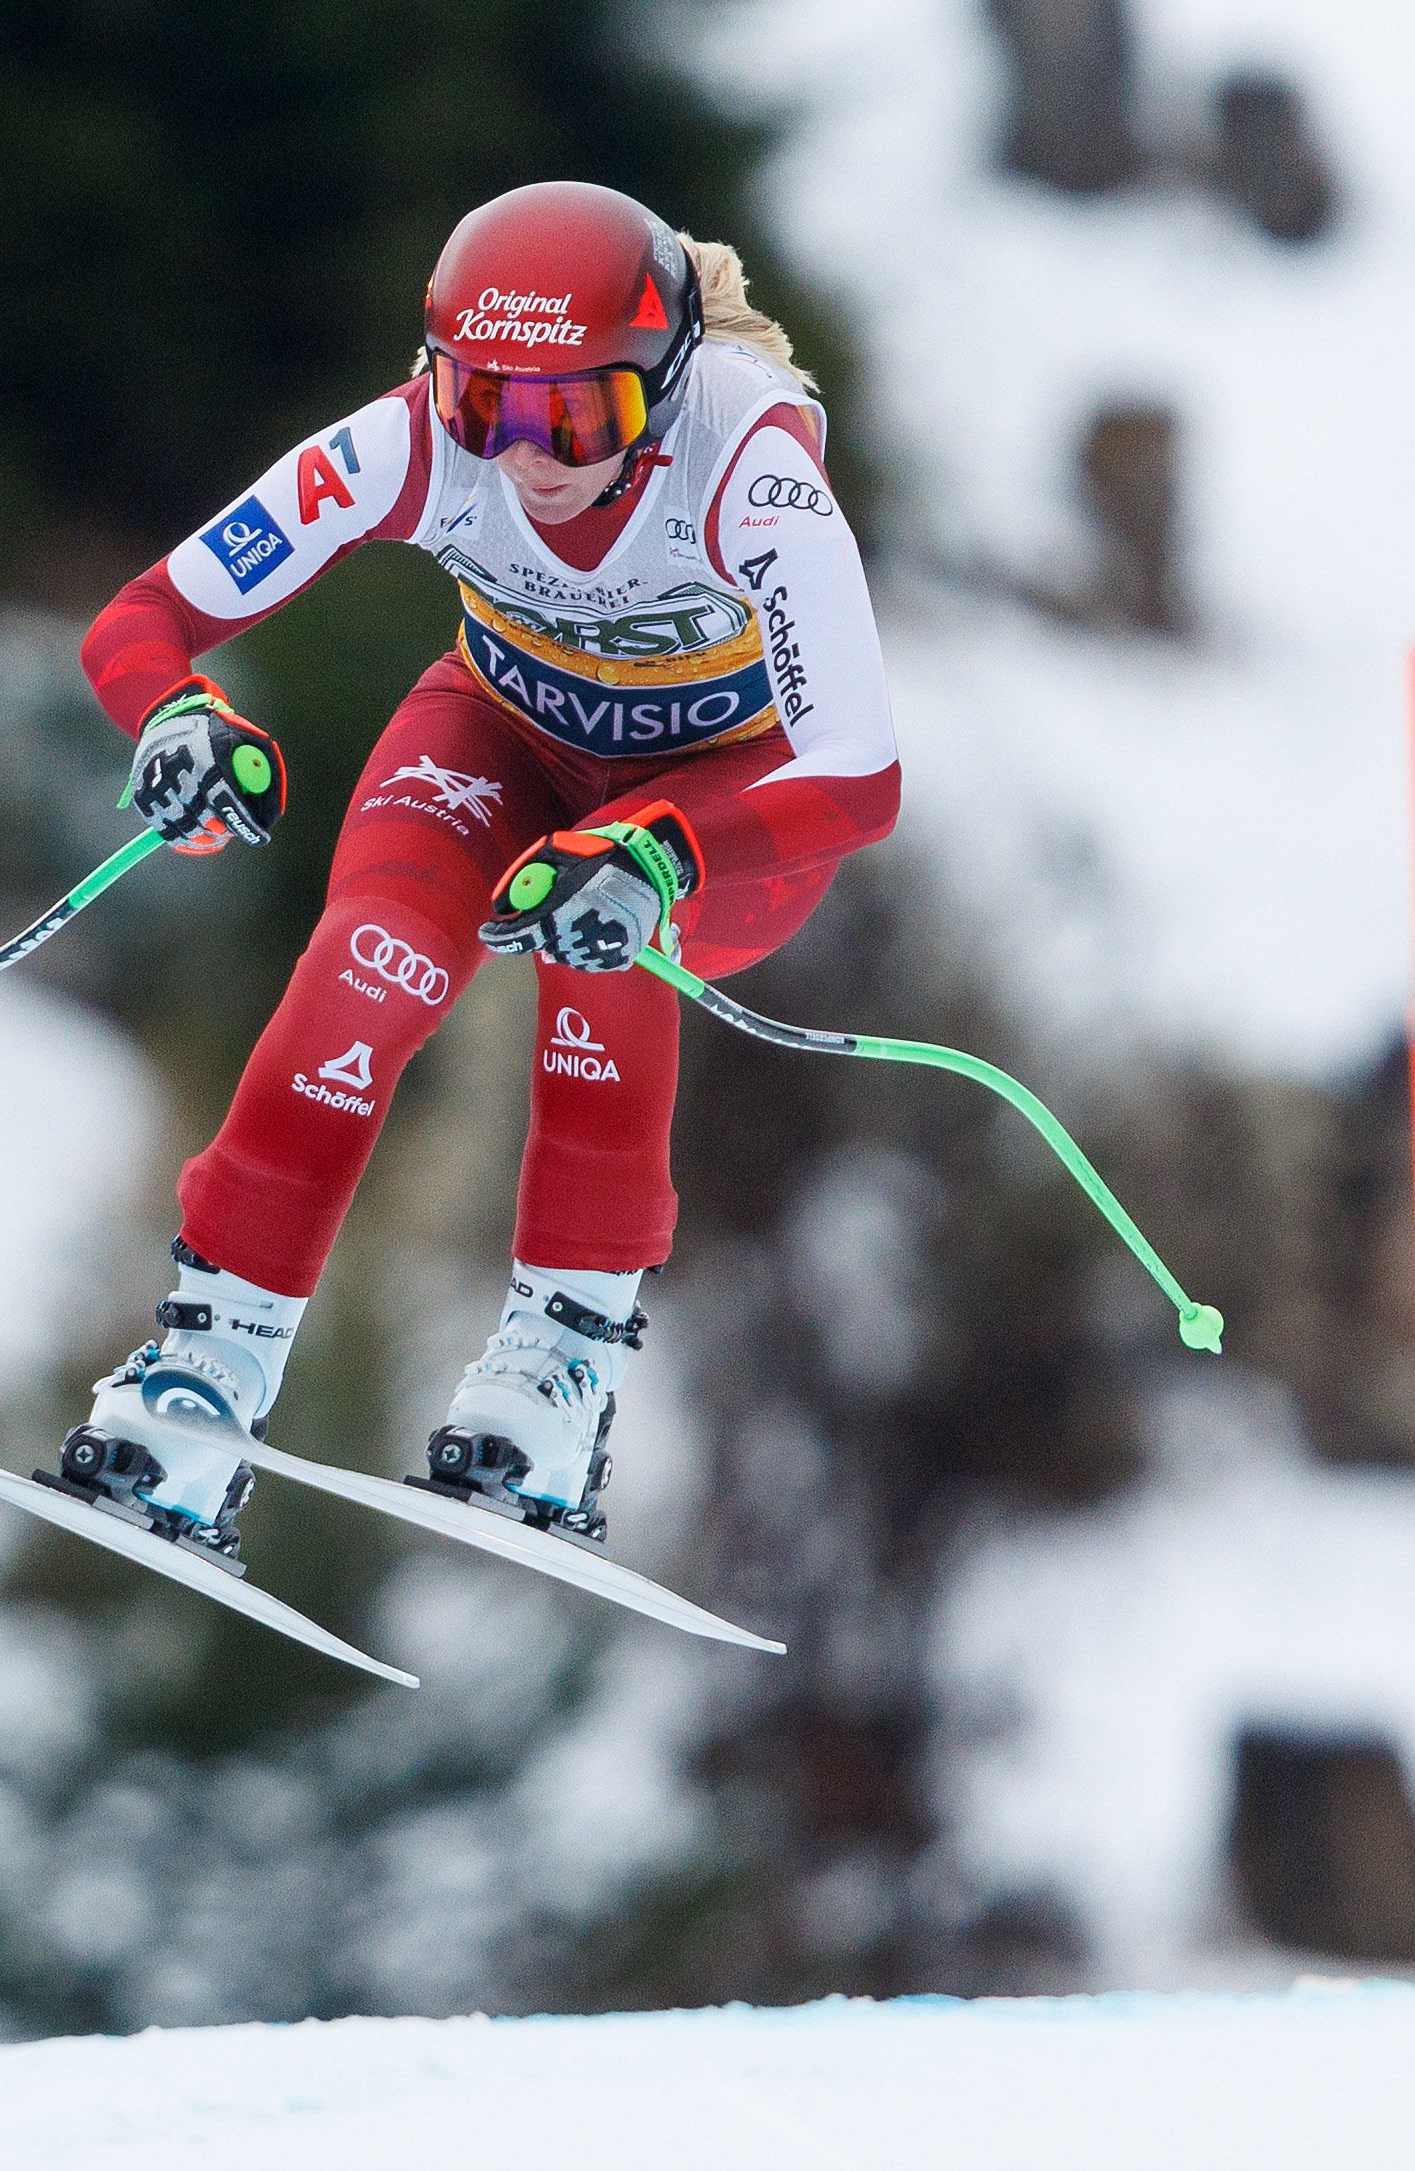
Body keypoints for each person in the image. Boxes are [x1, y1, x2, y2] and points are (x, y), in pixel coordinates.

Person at [62, 179, 899, 1561]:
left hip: (727, 805)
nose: (525, 455)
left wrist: (663, 846)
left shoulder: (744, 461)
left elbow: (857, 774)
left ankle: (554, 1380)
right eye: (481, 407)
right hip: (503, 730)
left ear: (666, 379)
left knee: (599, 927)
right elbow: (147, 617)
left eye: (578, 415)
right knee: (362, 970)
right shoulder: (405, 444)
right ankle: (203, 1371)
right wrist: (173, 716)